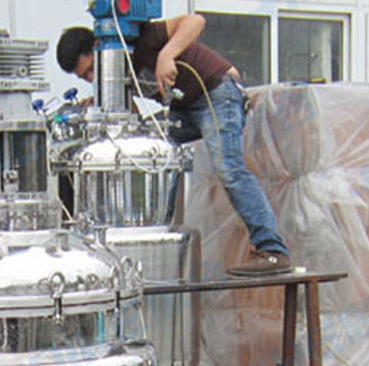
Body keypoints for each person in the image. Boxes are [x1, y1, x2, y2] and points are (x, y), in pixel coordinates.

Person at [56, 16, 291, 276]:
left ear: (98, 46)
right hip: (184, 109)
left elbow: (195, 21)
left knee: (229, 169)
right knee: (148, 148)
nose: (92, 78)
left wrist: (166, 56)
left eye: (91, 69)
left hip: (216, 92)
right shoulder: (120, 73)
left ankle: (272, 249)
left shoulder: (144, 38)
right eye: (85, 77)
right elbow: (134, 125)